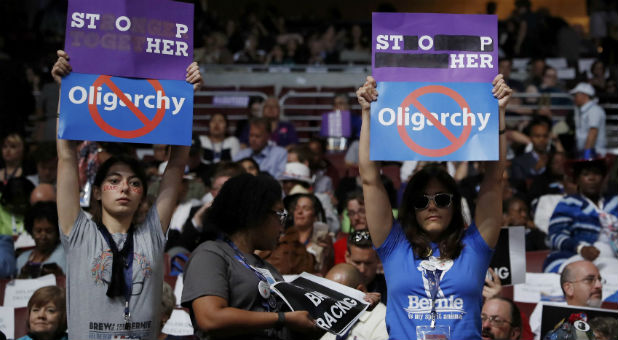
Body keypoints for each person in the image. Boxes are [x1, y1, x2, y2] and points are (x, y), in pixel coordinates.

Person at [52, 49, 201, 340]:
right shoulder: (78, 231)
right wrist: (66, 91)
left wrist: (186, 98)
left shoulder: (152, 234)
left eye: (134, 183)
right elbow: (66, 156)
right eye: (114, 180)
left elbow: (177, 164)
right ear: (96, 192)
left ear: (143, 195)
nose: (124, 188)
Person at [356, 74, 512, 339]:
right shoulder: (394, 247)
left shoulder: (475, 247)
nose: (431, 207)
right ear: (412, 208)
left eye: (441, 199)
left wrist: (498, 113)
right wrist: (368, 114)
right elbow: (370, 181)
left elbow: (494, 182)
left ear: (454, 205)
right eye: (421, 200)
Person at [181, 174, 318, 340]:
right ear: (256, 213)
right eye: (279, 214)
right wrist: (283, 319)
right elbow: (210, 318)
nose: (282, 227)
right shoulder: (210, 255)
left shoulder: (269, 269)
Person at [544, 158, 618, 274]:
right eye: (585, 174)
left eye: (597, 173)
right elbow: (555, 236)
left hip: (611, 258)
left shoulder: (615, 202)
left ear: (604, 178)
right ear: (577, 180)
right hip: (574, 257)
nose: (592, 178)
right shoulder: (568, 203)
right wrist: (580, 248)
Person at [530, 260, 604, 339]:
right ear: (569, 288)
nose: (599, 285)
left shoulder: (610, 320)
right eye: (589, 280)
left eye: (599, 280)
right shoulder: (546, 312)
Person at [321, 263, 388, 340]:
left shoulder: (383, 320)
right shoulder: (335, 318)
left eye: (336, 294)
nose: (328, 301)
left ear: (360, 291)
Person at [16, 201, 66, 277]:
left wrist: (60, 276)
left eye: (49, 231)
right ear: (31, 231)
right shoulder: (22, 259)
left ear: (58, 232)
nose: (43, 236)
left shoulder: (66, 255)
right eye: (38, 231)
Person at [345, 229, 387, 304]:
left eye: (368, 263)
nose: (362, 270)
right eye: (357, 262)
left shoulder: (390, 289)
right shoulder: (335, 287)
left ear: (378, 260)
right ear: (347, 257)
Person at [570, 82, 607, 157]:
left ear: (584, 95)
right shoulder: (582, 110)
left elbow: (593, 133)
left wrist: (587, 154)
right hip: (585, 152)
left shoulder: (594, 110)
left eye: (576, 95)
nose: (574, 98)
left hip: (595, 153)